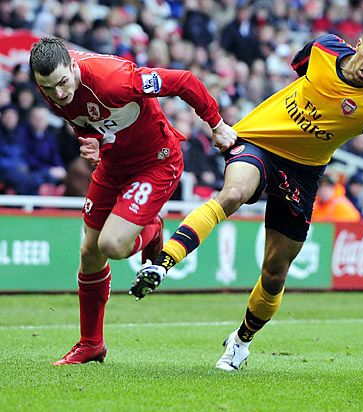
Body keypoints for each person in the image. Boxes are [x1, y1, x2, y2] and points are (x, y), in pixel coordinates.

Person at [130, 26, 363, 371]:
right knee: (233, 194)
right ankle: (161, 263)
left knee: (275, 272)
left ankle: (241, 341)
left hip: (303, 174)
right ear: (359, 44)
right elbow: (300, 62)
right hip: (260, 143)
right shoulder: (324, 48)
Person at [29, 37, 236, 365]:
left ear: (72, 65)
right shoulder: (52, 87)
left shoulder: (115, 80)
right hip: (114, 165)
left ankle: (152, 230)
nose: (58, 94)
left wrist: (217, 123)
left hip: (157, 161)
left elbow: (184, 81)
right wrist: (94, 144)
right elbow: (86, 121)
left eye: (62, 83)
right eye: (48, 88)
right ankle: (91, 344)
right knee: (89, 251)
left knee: (112, 244)